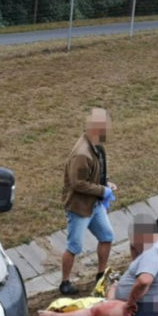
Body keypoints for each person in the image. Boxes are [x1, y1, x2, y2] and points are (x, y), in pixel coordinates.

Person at [39, 214, 158, 316]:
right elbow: (141, 266)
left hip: (145, 307)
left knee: (96, 311)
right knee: (113, 289)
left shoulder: (152, 252)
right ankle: (111, 299)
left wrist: (130, 302)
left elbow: (144, 281)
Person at [59, 108, 118, 295]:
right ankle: (65, 282)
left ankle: (101, 274)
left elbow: (97, 172)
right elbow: (77, 183)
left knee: (107, 236)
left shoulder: (97, 146)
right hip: (80, 208)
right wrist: (103, 191)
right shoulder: (82, 154)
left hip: (95, 204)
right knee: (74, 246)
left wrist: (106, 182)